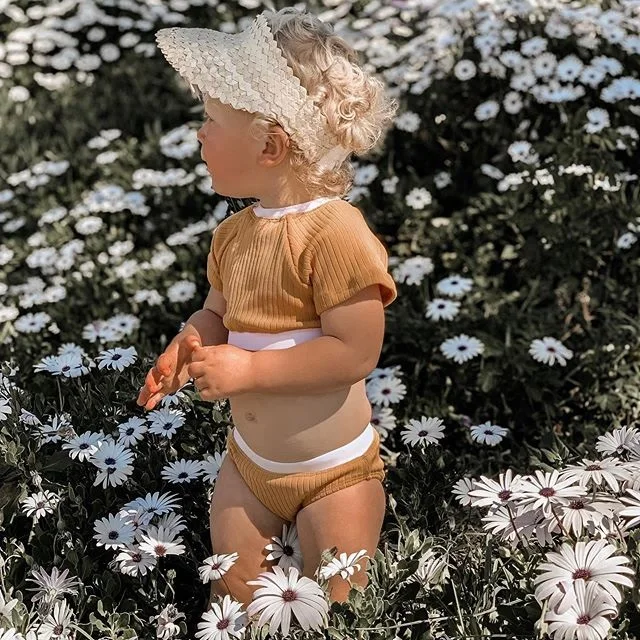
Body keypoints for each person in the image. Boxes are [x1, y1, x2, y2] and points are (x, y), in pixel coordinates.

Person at [136, 7, 399, 608]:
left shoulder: (336, 233)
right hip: (250, 467)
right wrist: (190, 342)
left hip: (335, 473)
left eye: (211, 119)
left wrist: (251, 370)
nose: (200, 134)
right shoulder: (234, 235)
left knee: (337, 604)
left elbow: (355, 352)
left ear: (271, 146)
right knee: (235, 596)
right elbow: (216, 313)